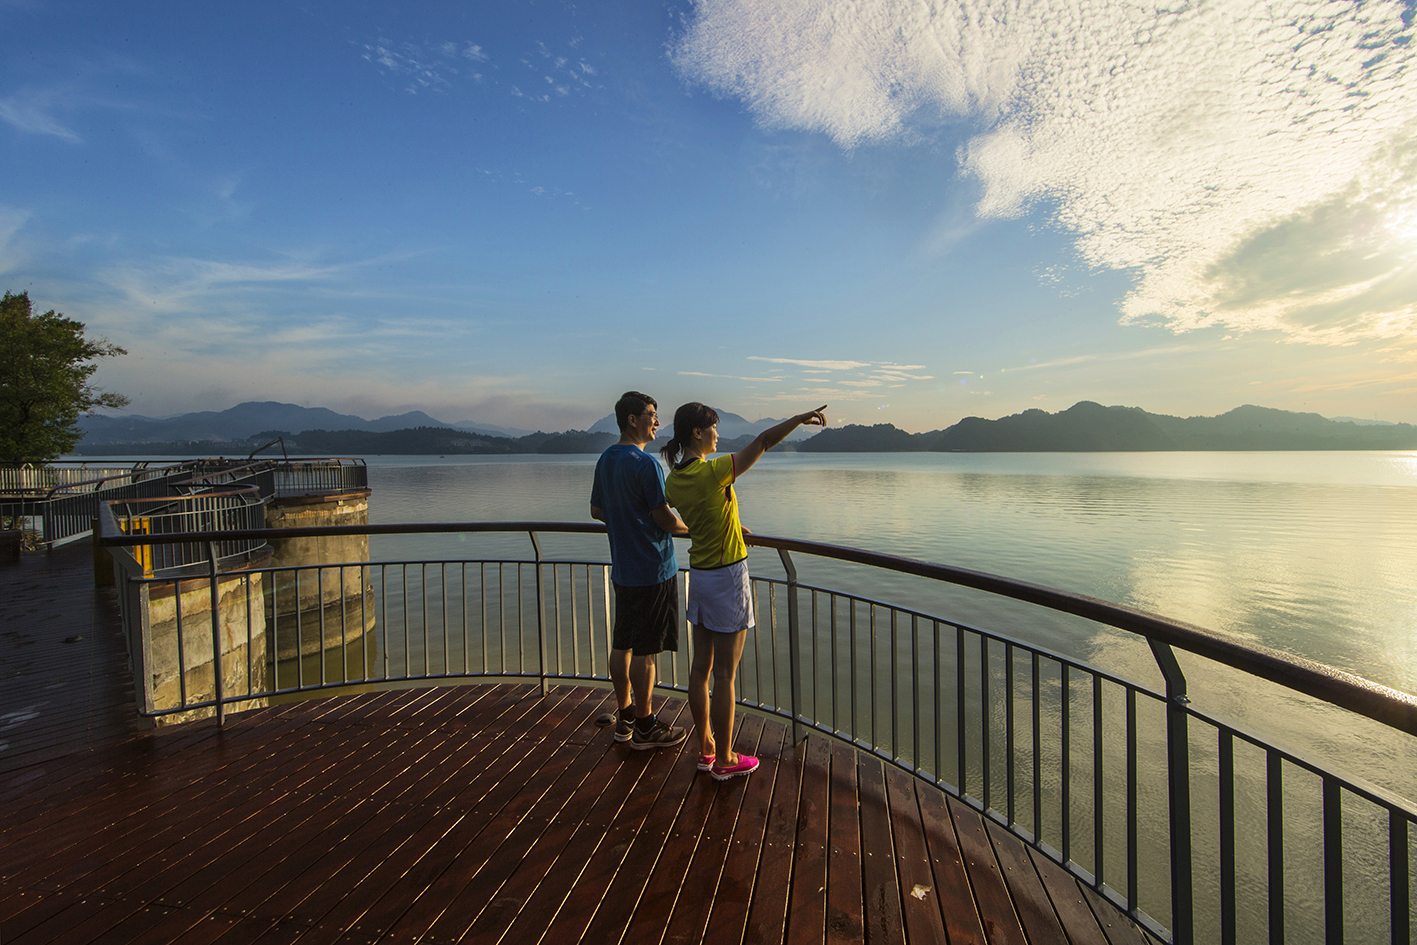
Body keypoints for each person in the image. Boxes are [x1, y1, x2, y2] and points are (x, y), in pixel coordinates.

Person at [662, 403, 827, 780]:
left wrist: (734, 525)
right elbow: (765, 441)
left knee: (700, 670)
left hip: (700, 574)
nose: (718, 434)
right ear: (697, 433)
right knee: (725, 674)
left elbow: (703, 515)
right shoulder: (714, 471)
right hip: (727, 578)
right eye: (714, 428)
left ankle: (705, 748)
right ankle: (725, 758)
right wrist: (799, 418)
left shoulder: (674, 480)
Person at [590, 391, 690, 749]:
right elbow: (663, 518)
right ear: (632, 420)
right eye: (651, 414)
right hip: (652, 569)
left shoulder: (606, 460)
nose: (657, 422)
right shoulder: (645, 464)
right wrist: (695, 529)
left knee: (624, 643)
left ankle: (626, 716)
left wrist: (625, 520)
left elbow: (597, 510)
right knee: (646, 651)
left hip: (623, 570)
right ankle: (647, 727)